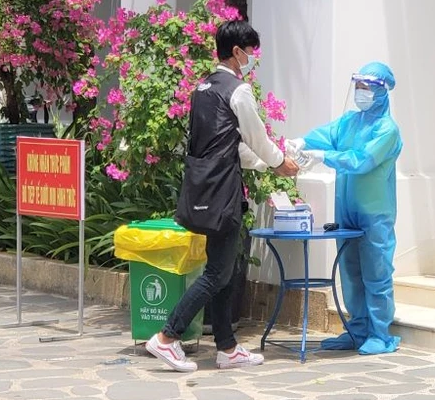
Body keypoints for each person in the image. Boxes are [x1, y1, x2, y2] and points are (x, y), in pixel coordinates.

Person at [146, 20, 300, 372]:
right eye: (250, 52)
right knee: (217, 273)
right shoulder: (237, 90)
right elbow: (256, 137)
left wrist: (264, 163)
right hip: (223, 191)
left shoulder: (202, 88)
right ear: (236, 52)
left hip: (204, 187)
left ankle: (227, 348)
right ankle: (167, 337)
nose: (252, 58)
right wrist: (279, 162)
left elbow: (225, 145)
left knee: (223, 270)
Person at [288, 62, 403, 355]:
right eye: (358, 86)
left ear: (382, 91)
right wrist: (302, 141)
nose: (360, 92)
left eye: (367, 87)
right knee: (350, 272)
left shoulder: (387, 130)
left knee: (376, 272)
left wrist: (323, 156)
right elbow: (327, 134)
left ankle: (380, 334)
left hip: (374, 212)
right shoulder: (350, 121)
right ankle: (357, 330)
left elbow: (361, 160)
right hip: (347, 210)